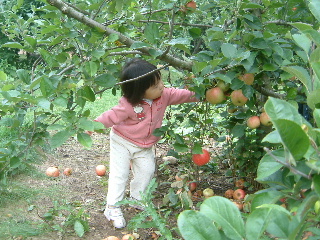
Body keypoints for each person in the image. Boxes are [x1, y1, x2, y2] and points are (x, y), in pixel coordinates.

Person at [93, 58, 199, 228]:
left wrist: (201, 94)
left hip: (144, 145)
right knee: (120, 175)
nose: (161, 87)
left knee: (147, 171)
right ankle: (112, 207)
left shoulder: (164, 95)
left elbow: (183, 95)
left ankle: (137, 198)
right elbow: (110, 116)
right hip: (122, 141)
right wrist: (93, 125)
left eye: (160, 81)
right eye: (155, 86)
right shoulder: (128, 104)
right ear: (139, 91)